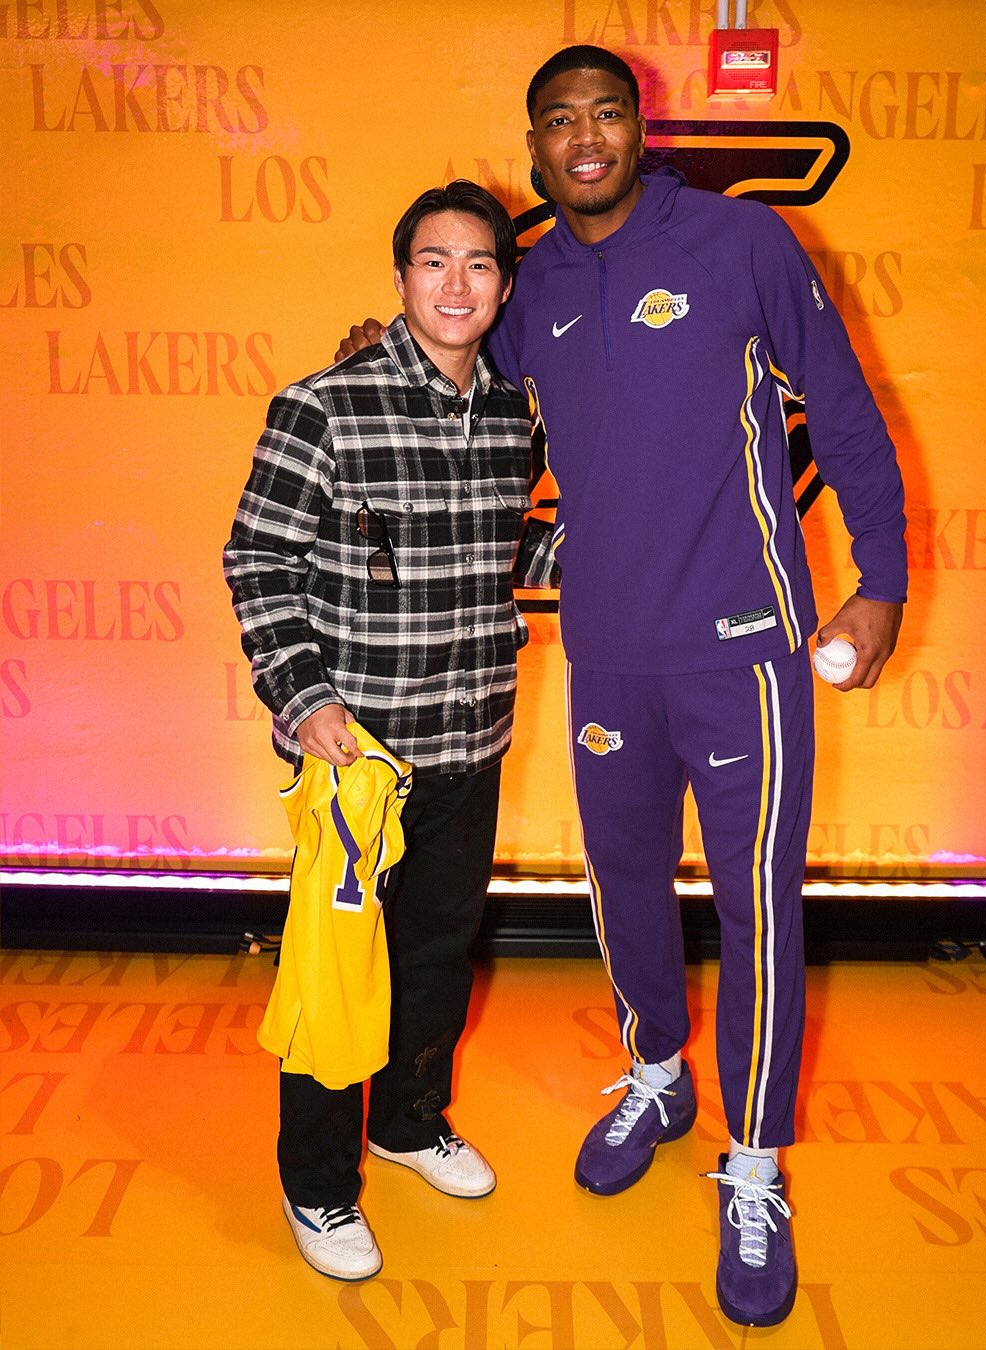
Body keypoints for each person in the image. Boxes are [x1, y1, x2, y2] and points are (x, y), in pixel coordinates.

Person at [338, 45, 906, 1327]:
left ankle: (752, 1161)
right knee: (624, 886)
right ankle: (658, 1070)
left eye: (606, 113)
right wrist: (377, 357)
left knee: (757, 908)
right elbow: (452, 388)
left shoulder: (741, 243)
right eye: (559, 120)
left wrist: (881, 579)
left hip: (744, 644)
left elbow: (845, 409)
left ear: (640, 129)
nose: (585, 136)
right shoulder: (529, 284)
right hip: (606, 651)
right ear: (533, 145)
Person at [224, 179, 533, 1282]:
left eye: (480, 263)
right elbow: (257, 560)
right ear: (401, 278)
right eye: (434, 262)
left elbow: (508, 552)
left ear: (504, 285)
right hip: (360, 761)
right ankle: (317, 1184)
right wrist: (305, 699)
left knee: (439, 954)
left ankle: (407, 1121)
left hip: (473, 739)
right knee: (335, 971)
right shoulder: (324, 406)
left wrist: (631, 553)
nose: (457, 283)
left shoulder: (515, 413)